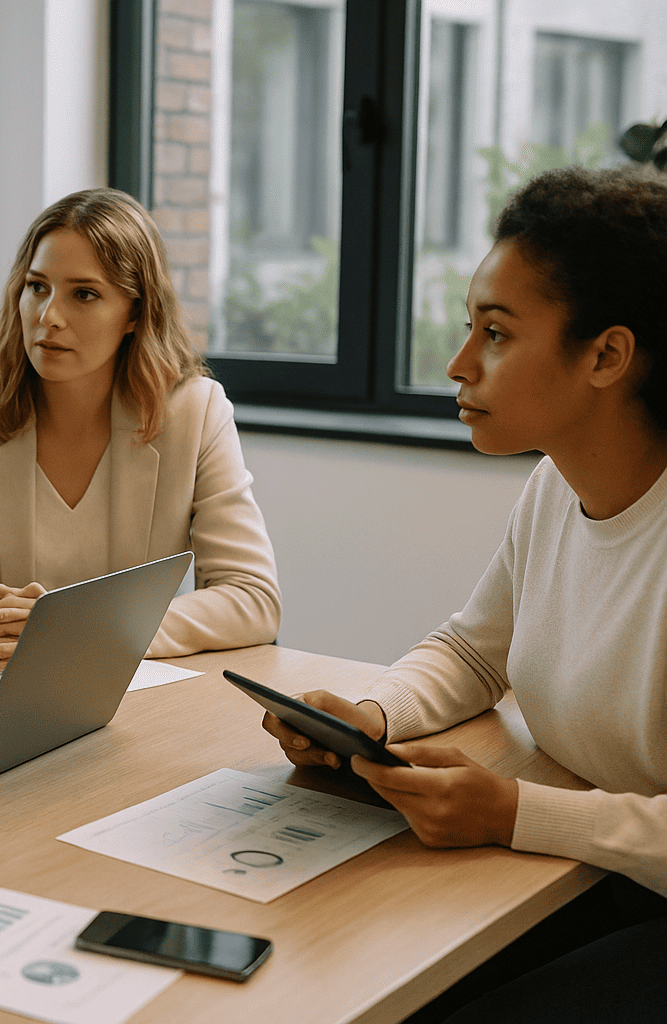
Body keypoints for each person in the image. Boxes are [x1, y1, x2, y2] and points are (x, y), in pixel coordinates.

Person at [262, 166, 667, 1022]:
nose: (457, 364)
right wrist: (370, 717)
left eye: (495, 333)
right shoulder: (558, 487)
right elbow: (471, 650)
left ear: (607, 354)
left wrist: (517, 811)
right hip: (599, 867)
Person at [0, 188, 280, 662]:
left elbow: (252, 597)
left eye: (84, 294)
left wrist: (89, 628)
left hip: (136, 690)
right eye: (37, 287)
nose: (48, 316)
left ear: (136, 313)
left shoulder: (196, 412)